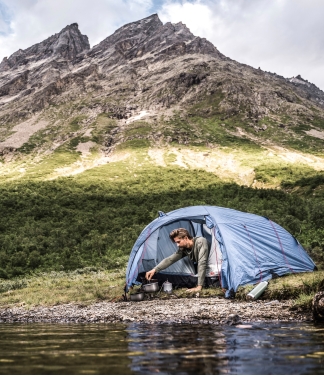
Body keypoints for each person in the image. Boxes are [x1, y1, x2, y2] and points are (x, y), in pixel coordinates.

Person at [145, 228, 210, 293]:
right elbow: (170, 259)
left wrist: (199, 287)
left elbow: (202, 262)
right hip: (203, 268)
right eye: (176, 243)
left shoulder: (200, 241)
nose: (177, 245)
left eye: (178, 242)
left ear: (186, 238)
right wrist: (154, 270)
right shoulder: (184, 249)